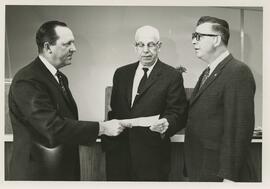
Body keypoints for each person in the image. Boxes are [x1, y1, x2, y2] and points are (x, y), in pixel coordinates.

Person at [8, 20, 126, 181]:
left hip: (59, 172)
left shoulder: (60, 78)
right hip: (38, 176)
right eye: (68, 43)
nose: (74, 48)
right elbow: (51, 127)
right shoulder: (27, 80)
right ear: (48, 47)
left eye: (73, 43)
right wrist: (102, 128)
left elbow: (65, 121)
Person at [102, 25, 188, 181]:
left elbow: (178, 112)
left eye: (151, 44)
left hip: (152, 157)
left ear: (159, 46)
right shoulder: (121, 74)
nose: (146, 50)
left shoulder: (172, 76)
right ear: (135, 47)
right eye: (140, 45)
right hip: (119, 155)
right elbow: (115, 110)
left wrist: (167, 122)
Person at [184, 16, 256, 182]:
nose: (194, 42)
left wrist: (229, 177)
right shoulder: (208, 72)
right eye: (193, 37)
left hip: (220, 174)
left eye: (198, 36)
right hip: (203, 168)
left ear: (216, 40)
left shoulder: (238, 71)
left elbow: (239, 129)